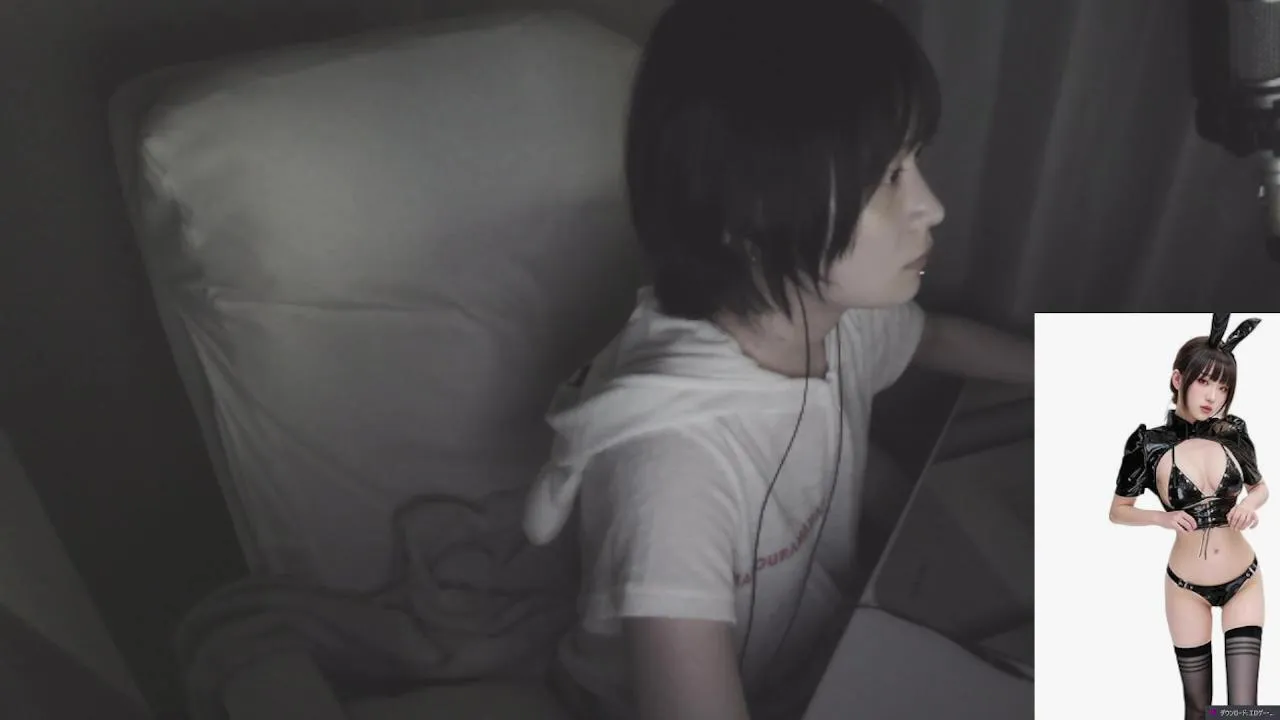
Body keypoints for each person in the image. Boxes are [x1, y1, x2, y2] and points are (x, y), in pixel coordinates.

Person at [522, 1, 1034, 718]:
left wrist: (1076, 369)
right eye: (886, 177)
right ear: (753, 213)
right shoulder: (676, 468)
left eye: (915, 160)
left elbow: (933, 338)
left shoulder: (838, 316)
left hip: (813, 657)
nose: (930, 206)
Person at [1110, 313, 1269, 719]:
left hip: (1244, 580)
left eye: (1223, 387)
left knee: (1244, 710)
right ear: (1179, 379)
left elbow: (1260, 488)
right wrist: (1161, 519)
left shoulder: (1232, 431)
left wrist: (1249, 505)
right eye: (1205, 381)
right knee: (1198, 709)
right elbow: (1118, 511)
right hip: (1185, 588)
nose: (1213, 396)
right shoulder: (1148, 444)